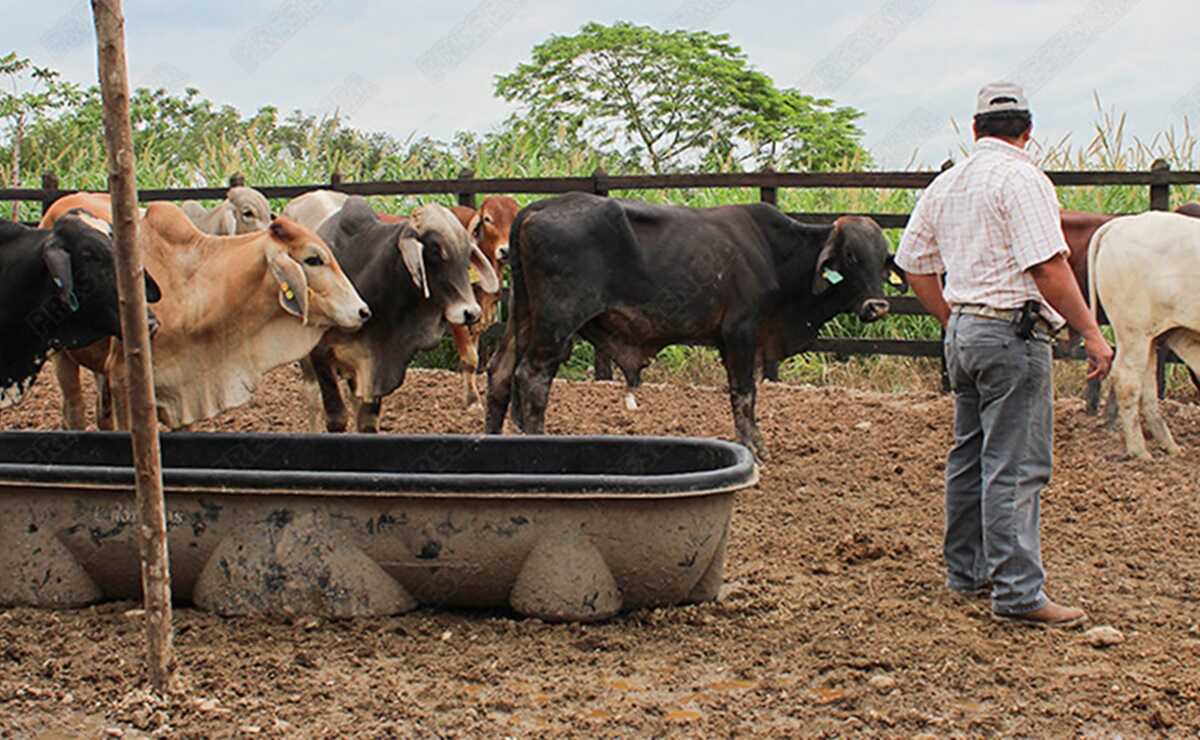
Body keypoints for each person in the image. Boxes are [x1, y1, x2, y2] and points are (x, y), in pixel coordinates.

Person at [895, 82, 1114, 627]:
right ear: (1028, 131)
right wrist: (1090, 330)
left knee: (968, 454)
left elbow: (914, 263)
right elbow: (1047, 267)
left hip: (966, 333)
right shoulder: (1024, 178)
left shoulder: (947, 184)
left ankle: (966, 573)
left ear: (975, 131)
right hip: (1013, 334)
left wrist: (953, 320)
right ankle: (1018, 593)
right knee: (1016, 463)